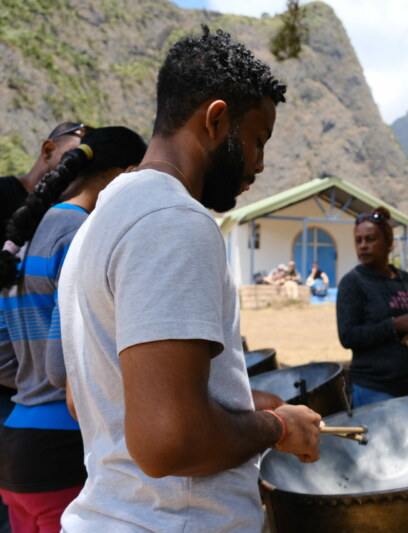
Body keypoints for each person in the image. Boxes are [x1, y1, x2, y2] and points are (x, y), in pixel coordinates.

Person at [57, 26, 321, 532]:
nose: (261, 164)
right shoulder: (174, 220)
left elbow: (86, 395)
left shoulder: (101, 221)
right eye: (257, 141)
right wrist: (278, 427)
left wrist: (250, 404)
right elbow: (169, 440)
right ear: (217, 119)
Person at [0, 127, 147, 533]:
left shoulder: (28, 231)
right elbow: (62, 368)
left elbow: (2, 351)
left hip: (17, 442)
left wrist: (31, 385)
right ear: (125, 174)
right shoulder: (80, 236)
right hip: (62, 449)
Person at [336, 207, 408, 407]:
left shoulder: (405, 279)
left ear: (388, 242)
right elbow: (348, 336)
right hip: (374, 389)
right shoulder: (353, 282)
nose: (363, 246)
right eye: (358, 241)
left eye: (370, 239)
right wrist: (393, 326)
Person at [0, 123, 92, 244]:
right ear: (48, 150)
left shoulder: (67, 219)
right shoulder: (3, 192)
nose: (78, 167)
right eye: (73, 156)